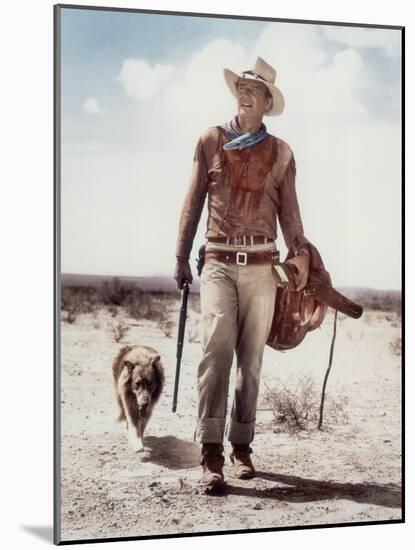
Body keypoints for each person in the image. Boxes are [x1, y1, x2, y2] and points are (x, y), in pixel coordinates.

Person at [174, 56, 311, 491]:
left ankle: (241, 447)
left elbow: (290, 214)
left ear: (268, 103)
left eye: (256, 89)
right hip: (217, 262)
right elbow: (193, 200)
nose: (246, 91)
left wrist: (302, 254)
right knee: (216, 355)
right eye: (242, 86)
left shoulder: (281, 152)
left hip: (262, 267)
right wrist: (180, 255)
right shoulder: (210, 140)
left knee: (250, 361)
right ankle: (211, 452)